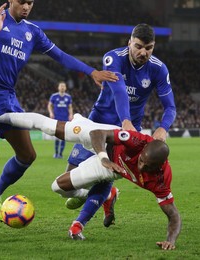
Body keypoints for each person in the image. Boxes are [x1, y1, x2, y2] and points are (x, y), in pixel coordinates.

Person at [0, 0, 118, 241]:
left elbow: (59, 55)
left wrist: (91, 71)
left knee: (27, 155)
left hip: (7, 96)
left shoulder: (32, 32)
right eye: (22, 1)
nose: (27, 6)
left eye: (30, 2)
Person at [0, 112, 181, 249]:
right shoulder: (137, 141)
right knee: (51, 127)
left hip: (110, 169)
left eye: (147, 167)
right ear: (143, 150)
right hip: (104, 145)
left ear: (160, 165)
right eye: (141, 160)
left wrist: (170, 241)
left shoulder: (161, 180)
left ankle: (105, 194)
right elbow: (97, 134)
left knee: (58, 187)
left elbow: (173, 215)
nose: (141, 167)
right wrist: (104, 158)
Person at [64, 23, 177, 228]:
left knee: (106, 173)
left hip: (128, 132)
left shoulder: (159, 70)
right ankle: (108, 195)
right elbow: (119, 91)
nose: (143, 52)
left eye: (149, 48)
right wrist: (125, 120)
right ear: (129, 43)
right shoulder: (113, 58)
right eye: (139, 46)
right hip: (98, 120)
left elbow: (170, 106)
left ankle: (80, 223)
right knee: (69, 179)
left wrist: (163, 127)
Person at [48, 81, 73, 159]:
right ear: (58, 87)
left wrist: (71, 114)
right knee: (56, 136)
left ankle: (61, 154)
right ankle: (56, 153)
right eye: (61, 86)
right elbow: (49, 105)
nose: (62, 87)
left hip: (65, 119)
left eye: (63, 86)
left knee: (63, 136)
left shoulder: (68, 97)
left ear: (65, 88)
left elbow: (70, 107)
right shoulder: (54, 96)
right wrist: (51, 113)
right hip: (56, 119)